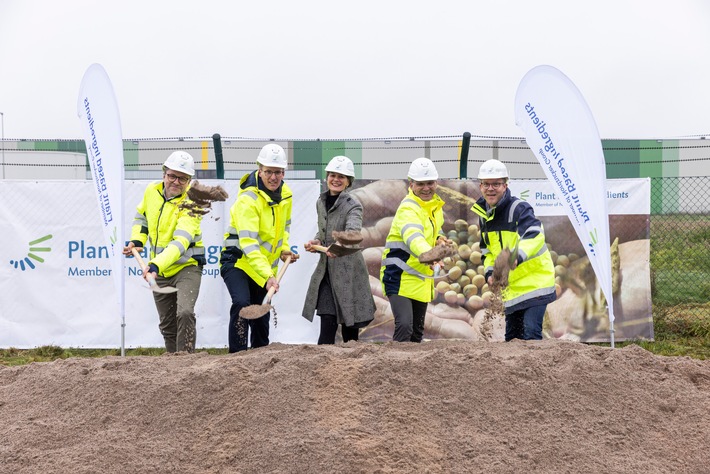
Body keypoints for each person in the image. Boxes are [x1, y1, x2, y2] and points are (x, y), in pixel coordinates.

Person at [123, 151, 205, 353]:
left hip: (186, 266)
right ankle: (172, 367)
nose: (176, 181)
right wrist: (137, 240)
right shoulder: (151, 191)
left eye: (182, 178)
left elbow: (180, 242)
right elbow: (141, 217)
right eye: (172, 176)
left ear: (189, 181)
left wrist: (155, 265)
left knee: (185, 312)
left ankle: (185, 360)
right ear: (164, 174)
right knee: (167, 324)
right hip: (160, 270)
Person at [220, 144, 299, 353]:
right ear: (259, 170)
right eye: (269, 172)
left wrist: (284, 249)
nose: (274, 177)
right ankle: (237, 358)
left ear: (283, 172)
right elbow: (249, 244)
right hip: (238, 261)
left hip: (262, 268)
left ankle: (260, 360)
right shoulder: (248, 199)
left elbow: (284, 229)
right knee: (242, 304)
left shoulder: (286, 195)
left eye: (278, 172)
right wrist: (268, 276)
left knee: (262, 313)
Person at [470, 158, 557, 341]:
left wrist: (517, 256)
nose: (491, 188)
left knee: (530, 333)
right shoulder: (484, 216)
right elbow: (487, 251)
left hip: (535, 283)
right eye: (487, 184)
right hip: (512, 289)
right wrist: (489, 274)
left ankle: (536, 370)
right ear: (481, 186)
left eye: (496, 184)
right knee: (512, 339)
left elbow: (534, 234)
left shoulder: (519, 208)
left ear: (505, 185)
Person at [302, 156, 375, 344]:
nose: (336, 179)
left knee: (350, 329)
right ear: (327, 177)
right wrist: (317, 241)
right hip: (327, 271)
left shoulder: (353, 205)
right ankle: (321, 367)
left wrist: (339, 247)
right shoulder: (321, 201)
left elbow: (352, 233)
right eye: (333, 175)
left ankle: (352, 369)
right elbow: (324, 230)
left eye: (341, 176)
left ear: (348, 181)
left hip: (348, 272)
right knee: (327, 321)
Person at [380, 157, 450, 342]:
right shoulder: (408, 208)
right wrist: (431, 255)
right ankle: (395, 367)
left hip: (420, 278)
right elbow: (413, 236)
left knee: (417, 332)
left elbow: (432, 230)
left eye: (430, 183)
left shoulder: (434, 206)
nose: (426, 188)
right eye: (420, 184)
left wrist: (439, 238)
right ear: (411, 184)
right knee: (404, 326)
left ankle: (412, 370)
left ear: (436, 183)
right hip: (399, 276)